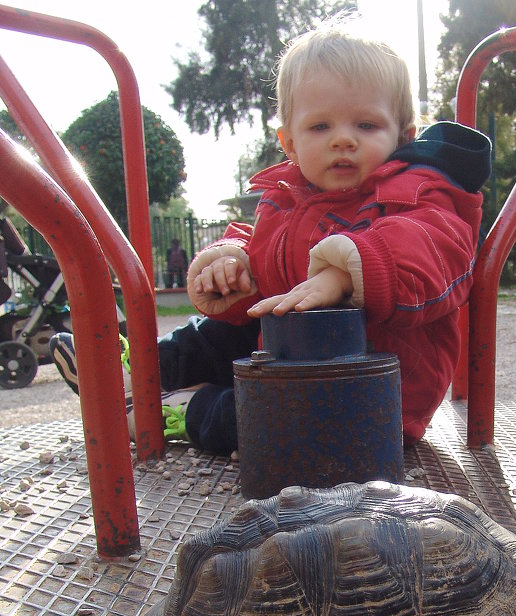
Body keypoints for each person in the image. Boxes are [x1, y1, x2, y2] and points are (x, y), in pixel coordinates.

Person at [50, 20, 491, 456]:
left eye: (366, 125)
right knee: (215, 333)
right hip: (291, 357)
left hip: (368, 398)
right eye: (320, 127)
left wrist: (345, 273)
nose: (343, 140)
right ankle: (144, 369)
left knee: (264, 420)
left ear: (403, 135)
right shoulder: (286, 200)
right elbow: (265, 270)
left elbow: (435, 252)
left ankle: (182, 411)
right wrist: (233, 266)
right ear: (290, 143)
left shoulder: (419, 194)